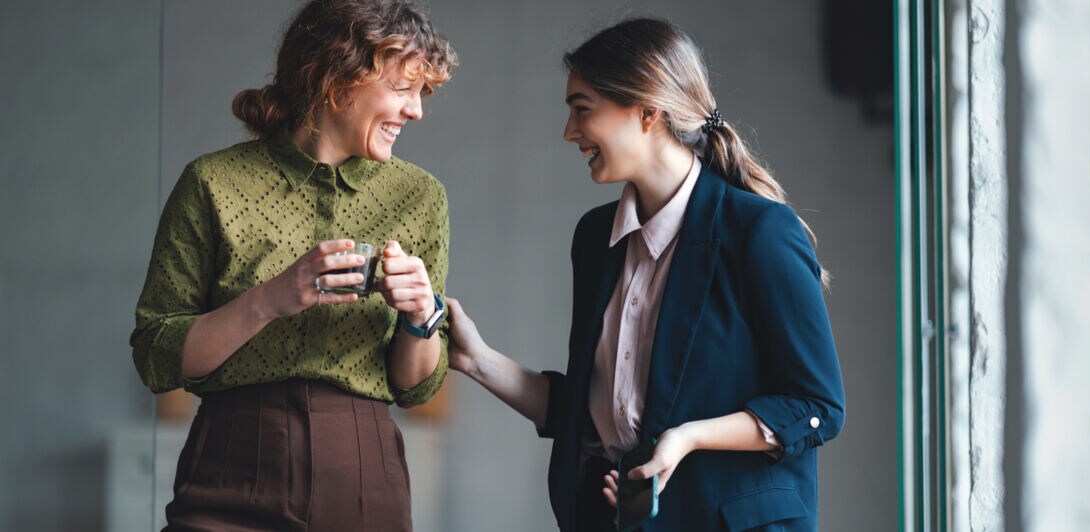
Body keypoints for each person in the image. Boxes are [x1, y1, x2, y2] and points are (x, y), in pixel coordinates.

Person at [445, 18, 845, 531]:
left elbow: (817, 406)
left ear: (647, 110)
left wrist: (688, 437)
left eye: (581, 110)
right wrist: (476, 360)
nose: (569, 132)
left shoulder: (760, 231)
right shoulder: (595, 238)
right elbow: (595, 413)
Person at [129, 1, 456, 530]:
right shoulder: (213, 183)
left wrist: (422, 318)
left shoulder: (420, 197)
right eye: (402, 89)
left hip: (362, 469)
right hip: (229, 461)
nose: (416, 111)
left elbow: (417, 388)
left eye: (422, 93)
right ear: (337, 80)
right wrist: (268, 300)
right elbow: (155, 356)